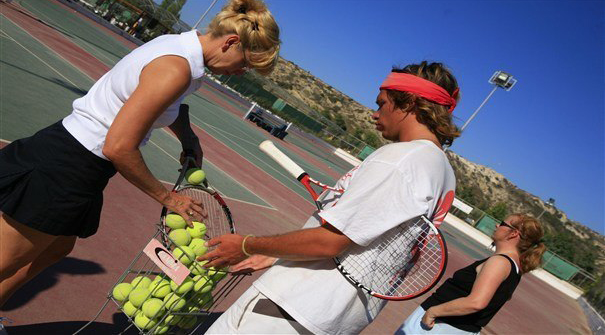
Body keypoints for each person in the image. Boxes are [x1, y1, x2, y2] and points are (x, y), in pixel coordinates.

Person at [0, 0, 280, 307]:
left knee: (55, 250)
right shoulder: (176, 69)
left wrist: (188, 139)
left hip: (72, 158)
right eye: (245, 64)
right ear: (230, 42)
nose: (241, 73)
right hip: (68, 165)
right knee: (7, 261)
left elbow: (168, 105)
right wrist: (170, 199)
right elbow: (119, 147)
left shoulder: (179, 49)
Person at [199, 61, 461, 334]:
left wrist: (247, 245)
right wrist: (275, 255)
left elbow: (331, 242)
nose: (374, 114)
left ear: (408, 103)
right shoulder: (442, 171)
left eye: (381, 103)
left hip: (294, 306)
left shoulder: (402, 160)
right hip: (333, 319)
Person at [396, 213, 546, 334]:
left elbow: (476, 302)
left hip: (440, 326)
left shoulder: (500, 263)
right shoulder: (514, 267)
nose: (497, 225)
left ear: (513, 233)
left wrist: (433, 312)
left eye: (502, 223)